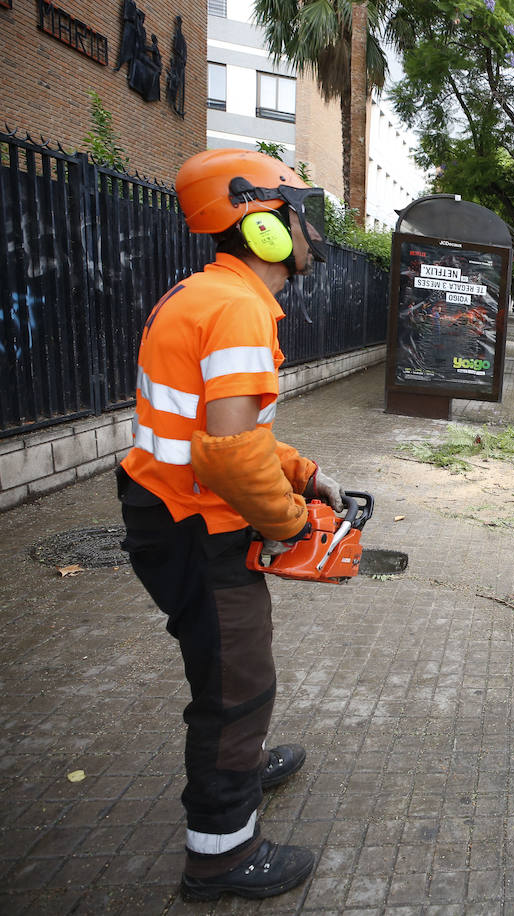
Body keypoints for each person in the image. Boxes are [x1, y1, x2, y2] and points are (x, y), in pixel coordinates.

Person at [117, 149, 346, 901]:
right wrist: (288, 524)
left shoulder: (208, 295)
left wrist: (306, 475)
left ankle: (240, 766)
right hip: (198, 524)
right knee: (233, 684)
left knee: (229, 667)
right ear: (265, 227)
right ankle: (220, 855)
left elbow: (228, 431)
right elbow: (229, 454)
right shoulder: (240, 308)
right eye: (299, 213)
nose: (311, 229)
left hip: (171, 510)